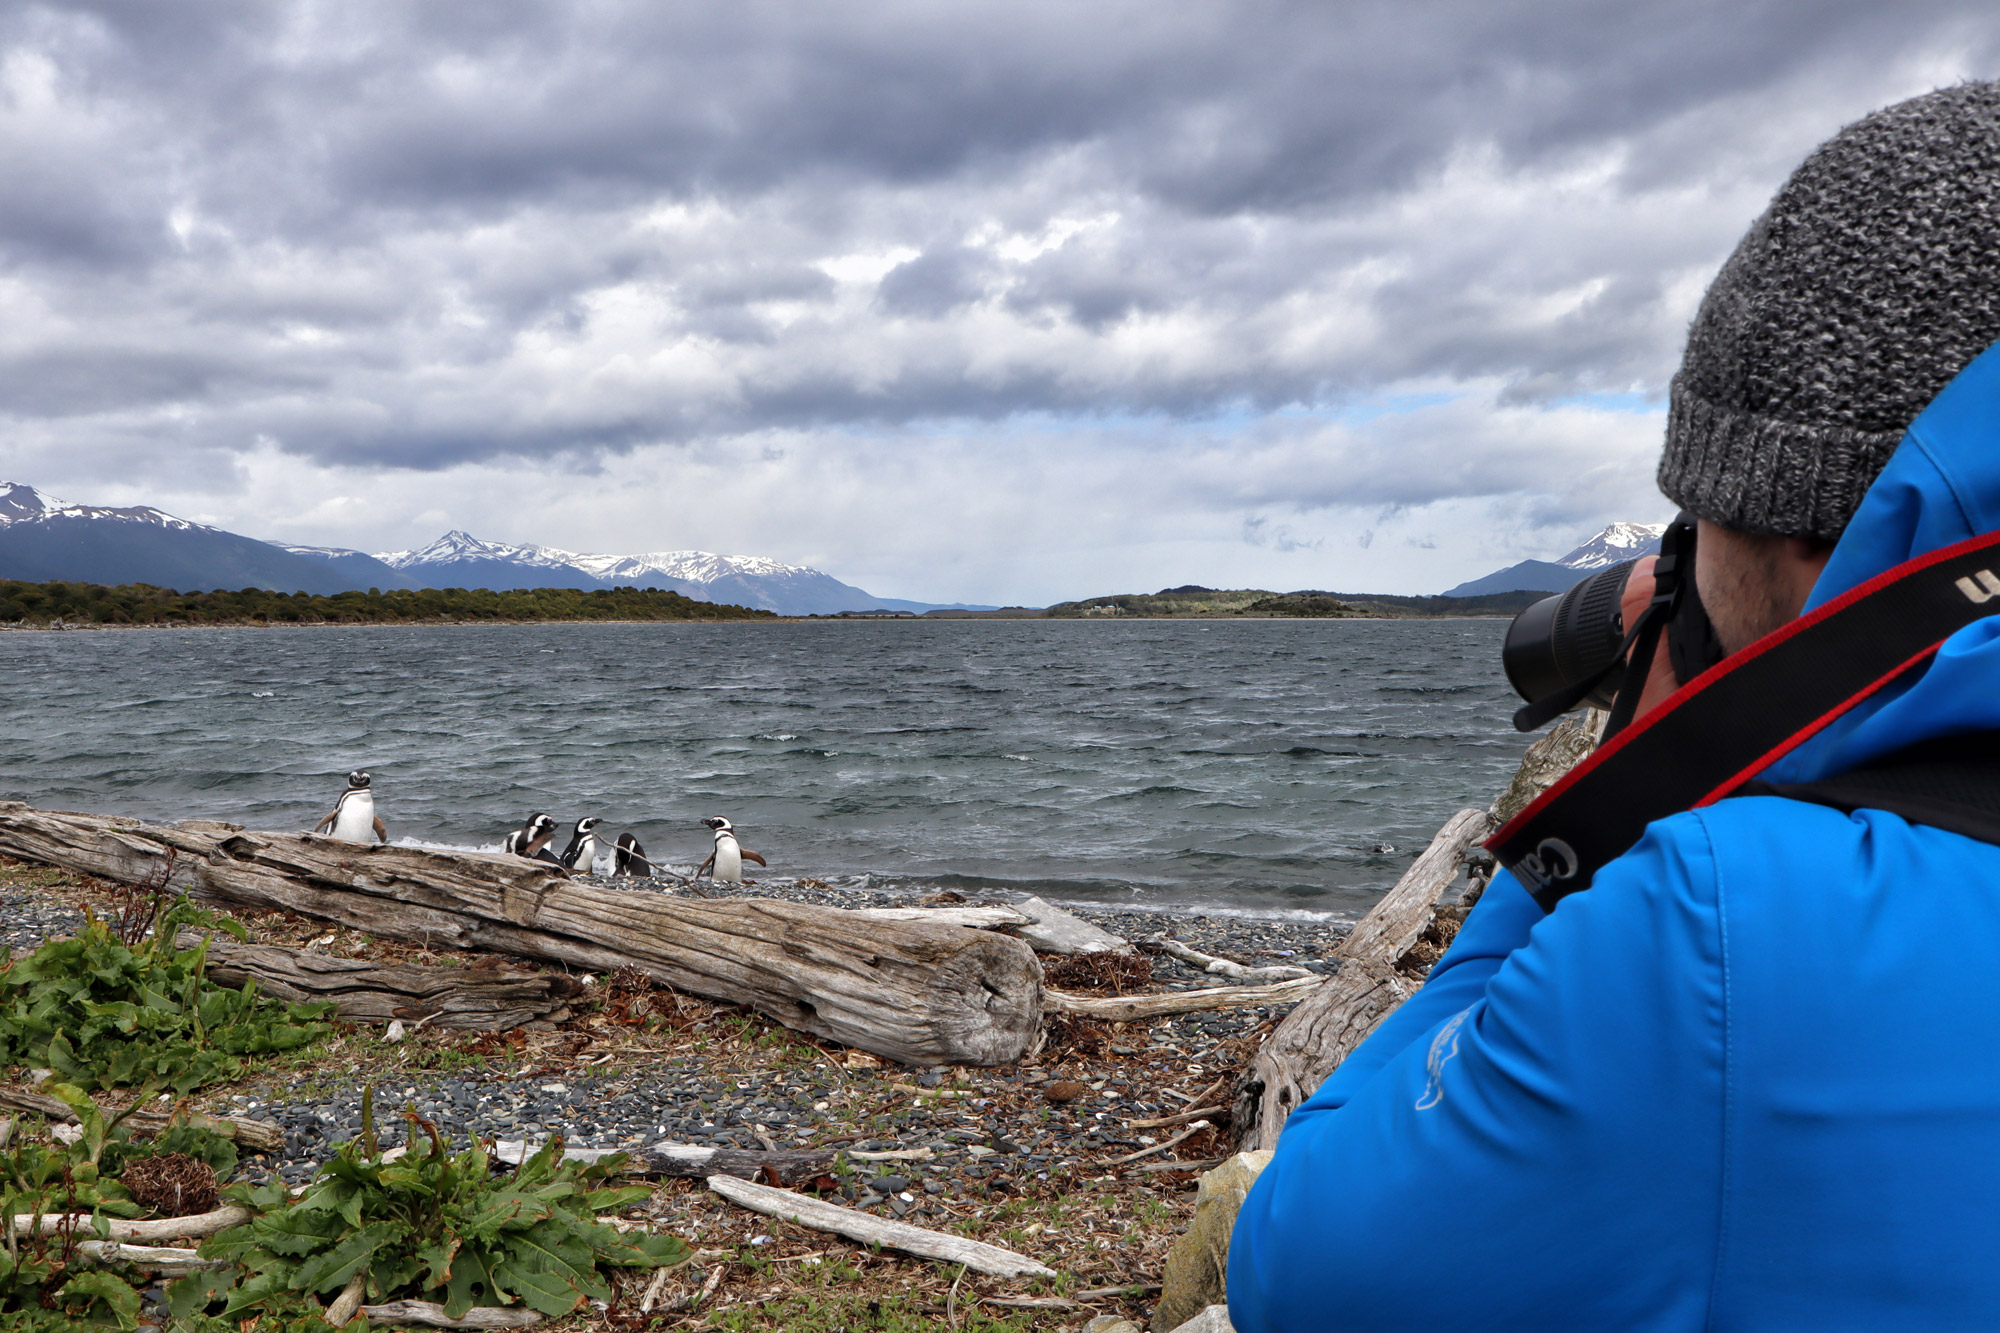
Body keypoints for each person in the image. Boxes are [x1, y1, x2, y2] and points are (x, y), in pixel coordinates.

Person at [1227, 83, 2000, 1332]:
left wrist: (1600, 819)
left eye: (1704, 522)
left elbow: (1304, 1269)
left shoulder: (1722, 924)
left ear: (1810, 546)